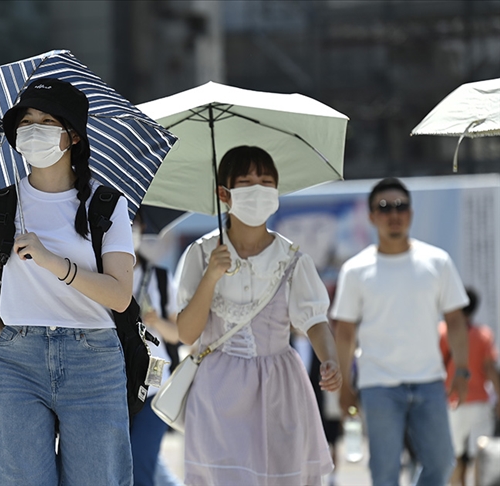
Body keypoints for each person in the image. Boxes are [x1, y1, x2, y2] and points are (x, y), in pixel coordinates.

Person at [0, 77, 135, 486]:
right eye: (26, 121)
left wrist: (53, 263)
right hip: (17, 360)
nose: (33, 129)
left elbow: (119, 295)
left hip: (93, 360)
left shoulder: (106, 205)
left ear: (73, 136)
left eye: (46, 120)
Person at [175, 145, 341, 486]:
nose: (259, 191)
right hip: (218, 391)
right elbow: (186, 333)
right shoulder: (202, 253)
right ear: (225, 193)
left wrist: (331, 360)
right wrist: (211, 276)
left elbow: (314, 321)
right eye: (247, 183)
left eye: (267, 183)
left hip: (280, 386)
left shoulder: (292, 258)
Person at [331, 177, 470, 486]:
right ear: (371, 216)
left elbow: (456, 321)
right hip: (378, 384)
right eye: (384, 207)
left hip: (429, 380)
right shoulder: (355, 269)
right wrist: (344, 386)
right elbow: (344, 332)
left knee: (442, 462)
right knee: (384, 472)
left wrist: (461, 370)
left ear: (411, 212)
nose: (393, 213)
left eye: (400, 206)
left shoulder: (437, 261)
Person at [129, 208, 183, 486]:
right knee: (115, 464)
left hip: (155, 387)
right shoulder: (98, 275)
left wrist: (156, 322)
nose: (129, 229)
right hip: (113, 385)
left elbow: (177, 334)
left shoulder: (160, 278)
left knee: (142, 461)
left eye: (133, 222)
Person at [439, 288, 499, 486]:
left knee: (453, 455)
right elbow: (490, 369)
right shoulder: (483, 334)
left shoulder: (443, 332)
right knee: (481, 455)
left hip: (452, 401)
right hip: (479, 402)